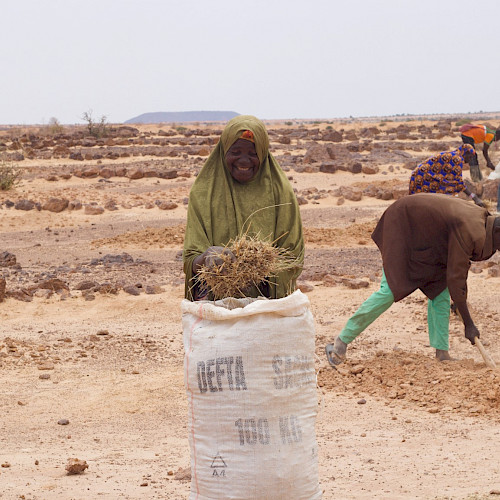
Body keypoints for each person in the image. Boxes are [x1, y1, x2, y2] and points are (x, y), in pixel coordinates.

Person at [325, 193, 500, 365]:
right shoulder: (471, 230)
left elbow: (458, 273)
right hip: (403, 226)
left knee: (441, 292)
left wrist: (461, 305)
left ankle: (442, 353)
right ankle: (340, 342)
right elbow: (456, 277)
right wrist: (468, 324)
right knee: (389, 291)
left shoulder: (484, 221)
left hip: (428, 242)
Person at [183, 115, 304, 301]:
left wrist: (258, 267)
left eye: (253, 153)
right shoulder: (203, 193)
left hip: (267, 305)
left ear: (263, 153)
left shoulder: (280, 192)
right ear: (223, 151)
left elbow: (292, 255)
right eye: (236, 152)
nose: (244, 160)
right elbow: (191, 259)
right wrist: (208, 257)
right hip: (216, 303)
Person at [409, 144, 485, 207]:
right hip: (422, 177)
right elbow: (459, 182)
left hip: (421, 175)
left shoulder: (453, 154)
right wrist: (474, 197)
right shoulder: (458, 159)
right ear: (466, 153)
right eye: (470, 157)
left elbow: (450, 179)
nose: (470, 160)